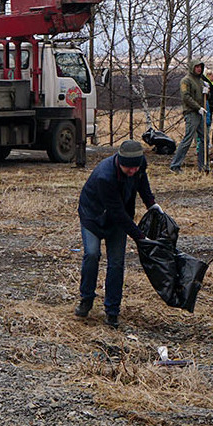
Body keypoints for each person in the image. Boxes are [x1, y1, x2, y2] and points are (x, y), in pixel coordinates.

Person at [76, 139, 157, 327]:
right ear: (119, 162)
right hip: (93, 216)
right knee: (92, 255)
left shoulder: (139, 165)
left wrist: (152, 204)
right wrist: (139, 236)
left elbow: (142, 184)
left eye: (135, 168)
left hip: (118, 220)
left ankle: (112, 311)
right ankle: (86, 298)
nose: (132, 171)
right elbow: (117, 212)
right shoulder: (105, 176)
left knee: (116, 263)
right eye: (128, 168)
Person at [169, 61, 210, 171]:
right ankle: (175, 165)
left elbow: (205, 97)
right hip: (191, 112)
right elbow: (186, 97)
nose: (199, 69)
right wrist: (198, 107)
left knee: (205, 139)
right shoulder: (186, 81)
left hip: (200, 113)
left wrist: (207, 91)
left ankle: (203, 166)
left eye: (200, 67)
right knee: (188, 139)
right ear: (192, 67)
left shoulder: (201, 81)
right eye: (196, 67)